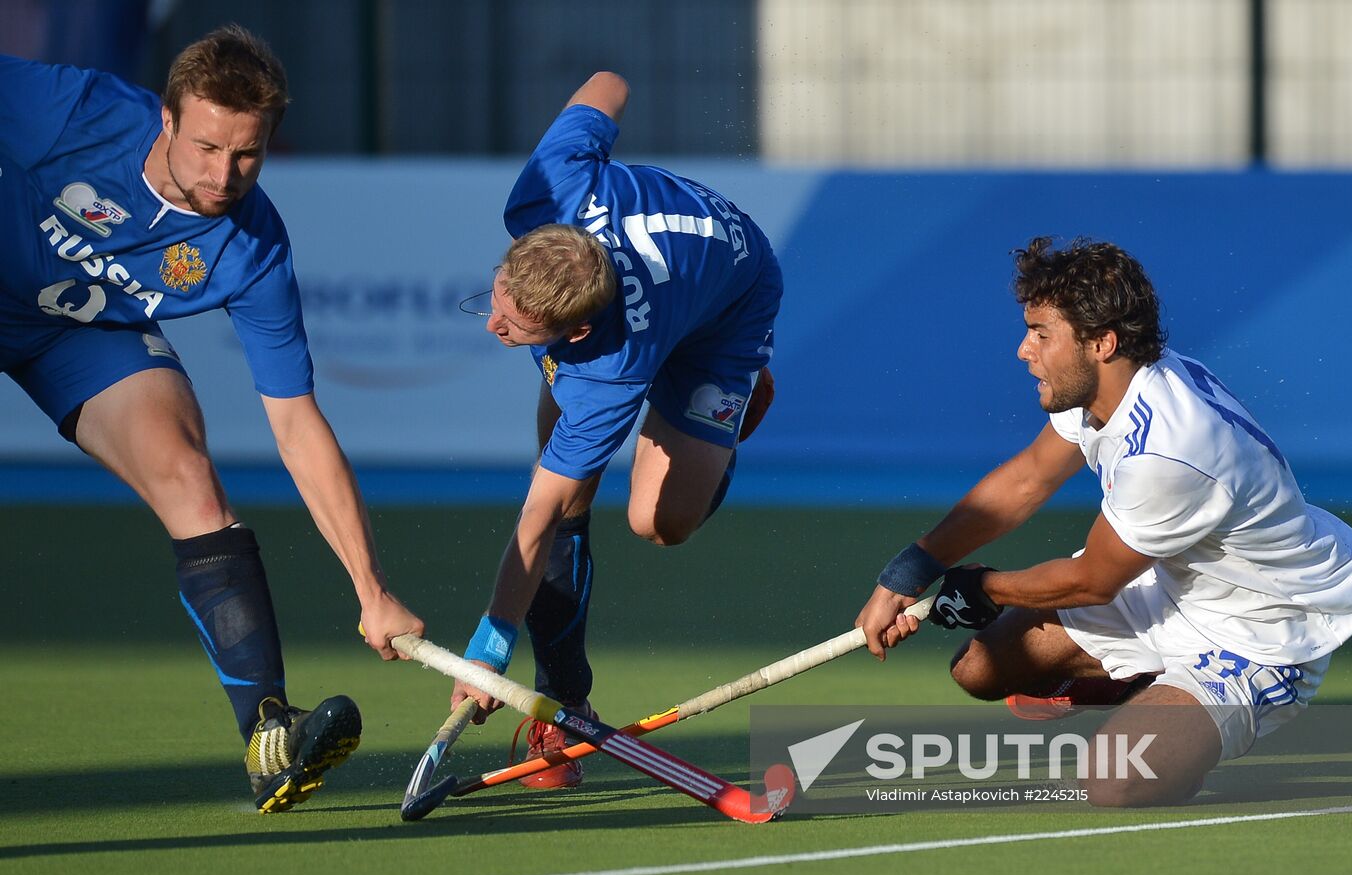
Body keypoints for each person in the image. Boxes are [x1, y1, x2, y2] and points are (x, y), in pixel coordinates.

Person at [0, 25, 425, 812]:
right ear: (165, 118)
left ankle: (269, 734)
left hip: (77, 333)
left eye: (246, 155)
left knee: (191, 478)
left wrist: (371, 587)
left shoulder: (252, 248)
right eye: (205, 148)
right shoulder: (75, 111)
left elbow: (297, 425)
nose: (223, 176)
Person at [855, 236, 1352, 806]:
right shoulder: (1111, 388)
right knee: (978, 670)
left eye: (1041, 335)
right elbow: (1027, 481)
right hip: (1169, 581)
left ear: (1102, 342)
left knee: (1113, 779)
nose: (1023, 351)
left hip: (1262, 627)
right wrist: (907, 574)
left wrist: (986, 589)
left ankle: (1181, 720)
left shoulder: (1169, 452)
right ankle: (1138, 679)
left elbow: (1094, 582)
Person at [448, 71, 782, 789]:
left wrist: (488, 645)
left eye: (516, 327)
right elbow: (610, 82)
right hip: (664, 276)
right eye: (498, 297)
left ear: (577, 332)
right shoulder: (548, 188)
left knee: (658, 522)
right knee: (566, 486)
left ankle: (728, 410)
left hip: (730, 302)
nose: (493, 323)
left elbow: (534, 521)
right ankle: (566, 703)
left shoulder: (607, 371)